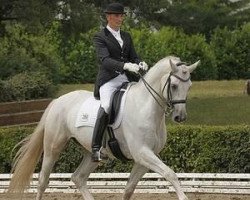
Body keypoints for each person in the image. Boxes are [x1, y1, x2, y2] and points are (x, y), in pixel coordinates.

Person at [91, 2, 148, 162]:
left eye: (121, 15)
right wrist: (125, 65)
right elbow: (105, 60)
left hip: (126, 79)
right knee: (107, 106)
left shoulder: (127, 36)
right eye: (117, 15)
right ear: (108, 17)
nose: (120, 18)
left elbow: (133, 56)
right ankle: (96, 148)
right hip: (108, 80)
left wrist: (140, 63)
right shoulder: (100, 36)